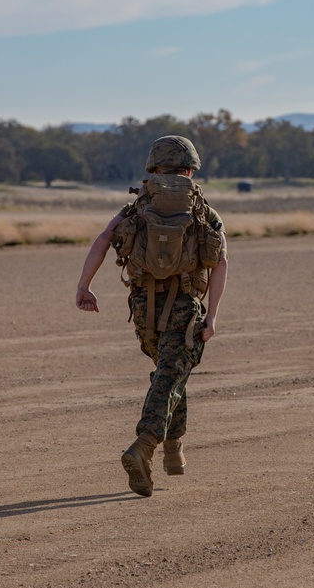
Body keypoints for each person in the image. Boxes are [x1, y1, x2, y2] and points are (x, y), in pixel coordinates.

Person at [75, 135, 228, 497]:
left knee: (170, 374)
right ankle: (144, 445)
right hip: (184, 308)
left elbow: (102, 240)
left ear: (153, 167)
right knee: (172, 376)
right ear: (191, 168)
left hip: (143, 310)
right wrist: (214, 316)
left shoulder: (137, 206)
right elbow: (222, 261)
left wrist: (84, 285)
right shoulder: (202, 209)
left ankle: (174, 452)